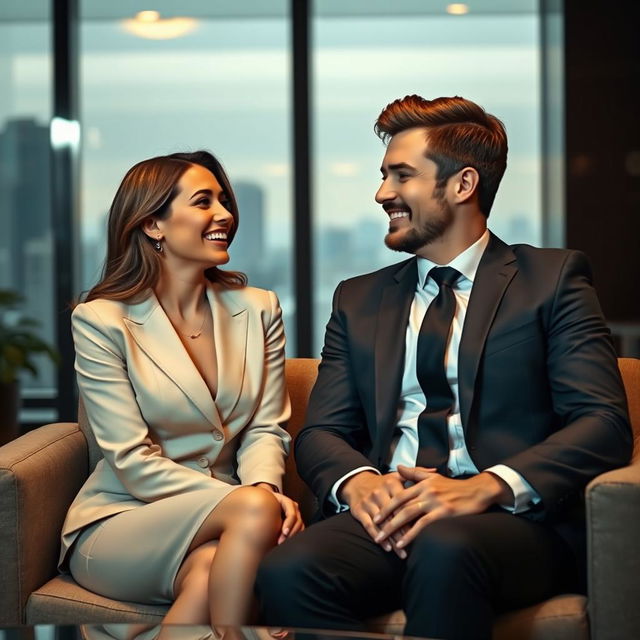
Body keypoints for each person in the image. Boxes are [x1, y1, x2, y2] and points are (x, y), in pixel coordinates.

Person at [256, 96, 632, 640]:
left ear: (462, 185)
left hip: (512, 523)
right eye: (384, 176)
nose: (382, 193)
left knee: (444, 547)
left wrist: (483, 488)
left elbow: (603, 424)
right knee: (288, 569)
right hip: (389, 515)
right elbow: (323, 432)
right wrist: (361, 483)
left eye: (401, 175)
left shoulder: (551, 280)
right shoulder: (357, 300)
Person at [58, 150, 303, 631]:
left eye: (224, 201)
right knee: (250, 515)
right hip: (124, 520)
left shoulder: (259, 309)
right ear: (153, 225)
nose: (225, 215)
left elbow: (265, 427)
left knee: (210, 574)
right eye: (203, 201)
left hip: (232, 521)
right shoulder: (101, 321)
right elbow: (130, 460)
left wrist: (261, 490)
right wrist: (252, 502)